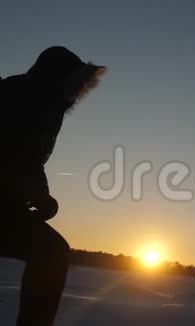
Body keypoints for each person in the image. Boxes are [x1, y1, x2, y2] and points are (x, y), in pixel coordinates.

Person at [0, 46, 106, 325]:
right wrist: (34, 195)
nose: (77, 92)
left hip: (7, 205)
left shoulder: (50, 106)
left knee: (52, 251)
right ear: (55, 77)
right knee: (51, 252)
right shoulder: (19, 95)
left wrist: (42, 197)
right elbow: (11, 153)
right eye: (73, 82)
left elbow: (32, 162)